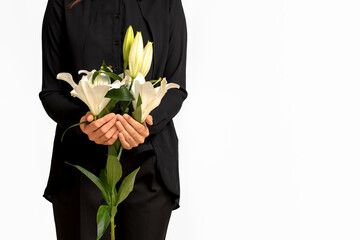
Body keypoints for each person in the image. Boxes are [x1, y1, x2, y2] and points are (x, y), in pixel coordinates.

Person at [39, 0, 188, 239]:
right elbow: (51, 91)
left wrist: (146, 123)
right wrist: (85, 123)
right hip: (80, 168)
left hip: (148, 165)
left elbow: (176, 88)